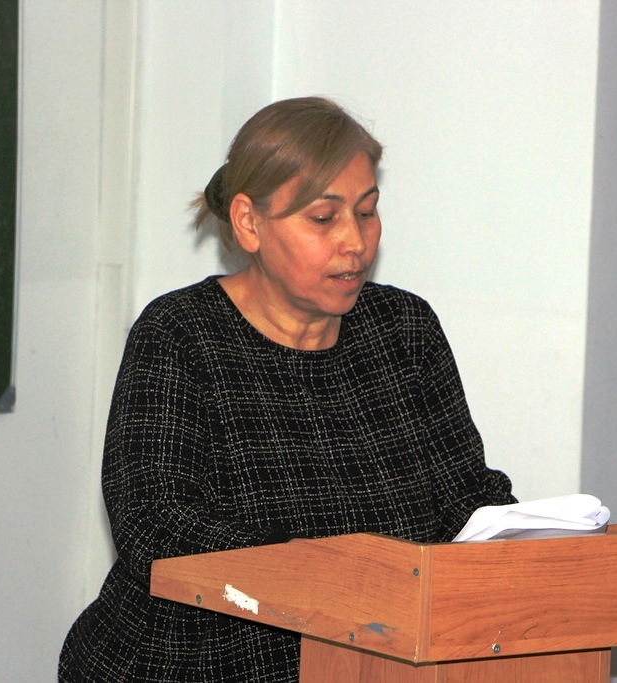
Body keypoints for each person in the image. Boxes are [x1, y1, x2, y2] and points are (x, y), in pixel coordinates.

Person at [58, 96, 515, 682]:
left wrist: (529, 540)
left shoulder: (404, 330)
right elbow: (155, 524)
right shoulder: (181, 334)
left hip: (372, 661)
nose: (355, 241)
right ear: (249, 223)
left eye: (367, 211)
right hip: (192, 663)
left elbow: (463, 495)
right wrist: (321, 570)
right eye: (324, 219)